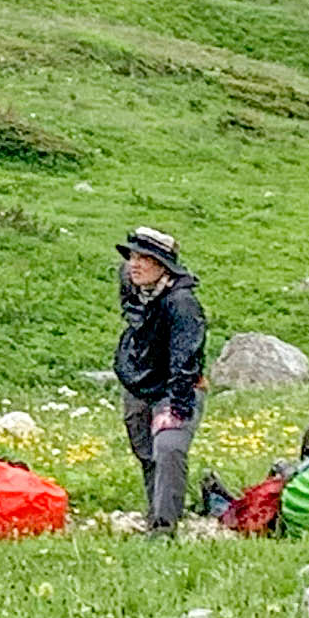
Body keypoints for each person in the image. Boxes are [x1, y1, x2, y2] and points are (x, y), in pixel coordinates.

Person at [114, 225, 206, 538]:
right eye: (132, 257)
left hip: (176, 387)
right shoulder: (131, 283)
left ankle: (164, 528)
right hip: (138, 383)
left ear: (163, 266)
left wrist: (178, 405)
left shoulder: (183, 305)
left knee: (168, 446)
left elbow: (186, 358)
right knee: (146, 452)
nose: (134, 264)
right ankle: (155, 515)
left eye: (145, 259)